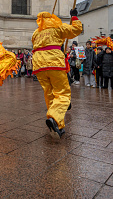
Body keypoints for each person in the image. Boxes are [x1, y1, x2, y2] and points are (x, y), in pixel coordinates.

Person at [32, 9, 82, 139]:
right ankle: (54, 117)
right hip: (54, 62)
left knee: (49, 93)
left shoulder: (36, 33)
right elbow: (76, 30)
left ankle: (58, 124)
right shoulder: (57, 27)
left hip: (38, 65)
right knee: (62, 93)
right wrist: (74, 17)